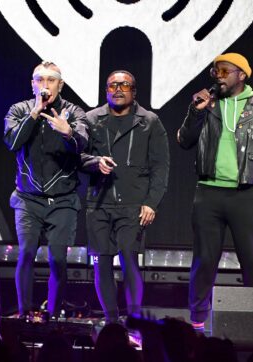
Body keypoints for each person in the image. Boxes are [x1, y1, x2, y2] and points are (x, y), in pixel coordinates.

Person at [177, 53, 253, 328]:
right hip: (208, 193)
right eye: (216, 71)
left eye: (225, 71)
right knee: (204, 261)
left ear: (242, 75)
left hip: (246, 194)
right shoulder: (207, 105)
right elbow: (184, 140)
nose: (218, 76)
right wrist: (196, 112)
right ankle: (198, 321)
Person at [81, 70, 169, 323]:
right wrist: (95, 161)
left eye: (124, 85)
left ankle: (133, 320)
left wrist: (151, 202)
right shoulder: (91, 119)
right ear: (106, 90)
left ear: (134, 91)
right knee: (102, 263)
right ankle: (111, 322)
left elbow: (161, 166)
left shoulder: (149, 121)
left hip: (133, 205)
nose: (118, 89)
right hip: (98, 203)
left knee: (129, 258)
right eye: (112, 85)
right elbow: (76, 157)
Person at [3, 61, 88, 318]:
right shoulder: (19, 109)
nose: (45, 85)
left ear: (60, 85)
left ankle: (52, 314)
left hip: (62, 201)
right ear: (32, 85)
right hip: (28, 199)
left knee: (58, 260)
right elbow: (12, 141)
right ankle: (25, 313)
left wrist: (67, 131)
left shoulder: (73, 112)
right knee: (26, 253)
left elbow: (82, 144)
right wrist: (35, 113)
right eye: (39, 80)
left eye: (51, 80)